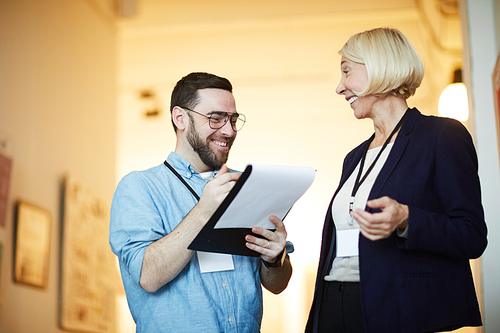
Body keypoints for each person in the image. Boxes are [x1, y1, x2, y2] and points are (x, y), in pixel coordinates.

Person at [305, 27, 487, 333]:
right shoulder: (354, 157)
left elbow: (471, 235)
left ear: (379, 68)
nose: (340, 87)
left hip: (398, 309)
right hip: (335, 304)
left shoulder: (442, 137)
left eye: (347, 71)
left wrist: (406, 219)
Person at [110, 72, 292, 332]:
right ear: (180, 118)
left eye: (232, 119)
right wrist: (204, 211)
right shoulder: (139, 188)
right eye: (215, 118)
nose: (228, 131)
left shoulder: (246, 186)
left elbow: (277, 284)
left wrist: (275, 259)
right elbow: (148, 277)